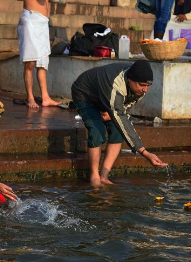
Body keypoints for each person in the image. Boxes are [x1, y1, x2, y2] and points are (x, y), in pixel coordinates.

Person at [71, 60, 168, 188]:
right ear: (130, 80)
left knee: (117, 131)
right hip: (85, 94)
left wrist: (111, 112)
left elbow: (123, 109)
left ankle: (104, 176)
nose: (145, 90)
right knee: (96, 130)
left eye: (148, 85)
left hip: (107, 97)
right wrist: (144, 152)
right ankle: (94, 175)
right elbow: (119, 114)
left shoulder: (140, 90)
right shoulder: (116, 82)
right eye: (141, 85)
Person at [18, 0, 72, 109]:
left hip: (42, 24)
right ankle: (30, 98)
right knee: (30, 63)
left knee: (42, 63)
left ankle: (46, 97)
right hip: (30, 23)